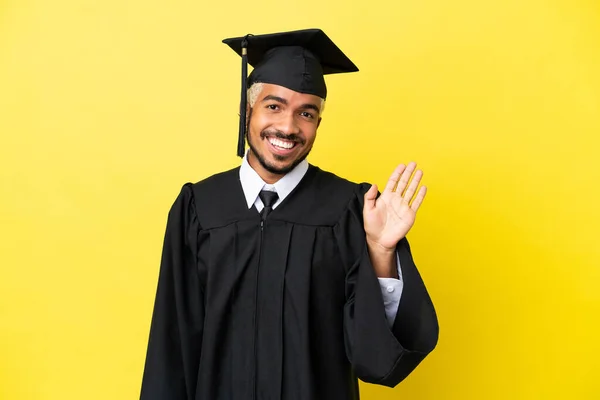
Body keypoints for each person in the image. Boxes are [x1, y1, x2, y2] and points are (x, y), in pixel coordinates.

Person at [140, 29, 438, 400]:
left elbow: (375, 360)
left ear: (318, 123)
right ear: (246, 110)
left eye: (306, 113)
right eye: (274, 106)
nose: (288, 127)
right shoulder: (199, 207)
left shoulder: (351, 209)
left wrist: (380, 252)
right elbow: (171, 350)